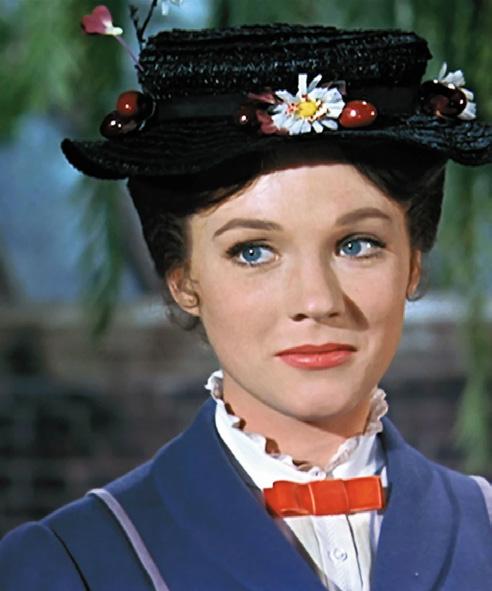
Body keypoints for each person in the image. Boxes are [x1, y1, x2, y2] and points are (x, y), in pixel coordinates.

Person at [1, 20, 491, 591]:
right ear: (182, 280)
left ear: (413, 264)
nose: (316, 301)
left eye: (357, 244)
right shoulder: (71, 563)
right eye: (253, 251)